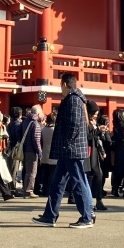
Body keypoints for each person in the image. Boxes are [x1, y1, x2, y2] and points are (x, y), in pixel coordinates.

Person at [32, 73, 95, 228]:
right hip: (70, 148)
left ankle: (87, 216)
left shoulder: (73, 100)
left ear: (65, 84)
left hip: (70, 149)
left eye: (61, 84)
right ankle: (50, 215)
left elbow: (73, 124)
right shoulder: (76, 99)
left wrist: (67, 142)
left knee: (78, 181)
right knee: (58, 182)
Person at [86, 102, 108, 211]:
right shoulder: (85, 123)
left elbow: (96, 137)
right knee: (90, 177)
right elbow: (87, 136)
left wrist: (101, 131)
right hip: (89, 153)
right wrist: (98, 130)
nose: (96, 115)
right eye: (95, 113)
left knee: (99, 176)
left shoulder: (94, 122)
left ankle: (98, 200)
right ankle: (90, 202)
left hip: (95, 152)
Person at [20, 106, 43, 197]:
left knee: (27, 170)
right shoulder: (35, 123)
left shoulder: (25, 121)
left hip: (25, 148)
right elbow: (36, 139)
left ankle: (26, 188)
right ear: (38, 113)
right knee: (32, 171)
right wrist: (39, 151)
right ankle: (29, 190)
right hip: (32, 150)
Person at [37, 113, 57, 197]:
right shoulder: (55, 130)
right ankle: (49, 190)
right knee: (52, 174)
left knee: (45, 174)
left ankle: (44, 189)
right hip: (53, 154)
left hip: (44, 154)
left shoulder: (43, 129)